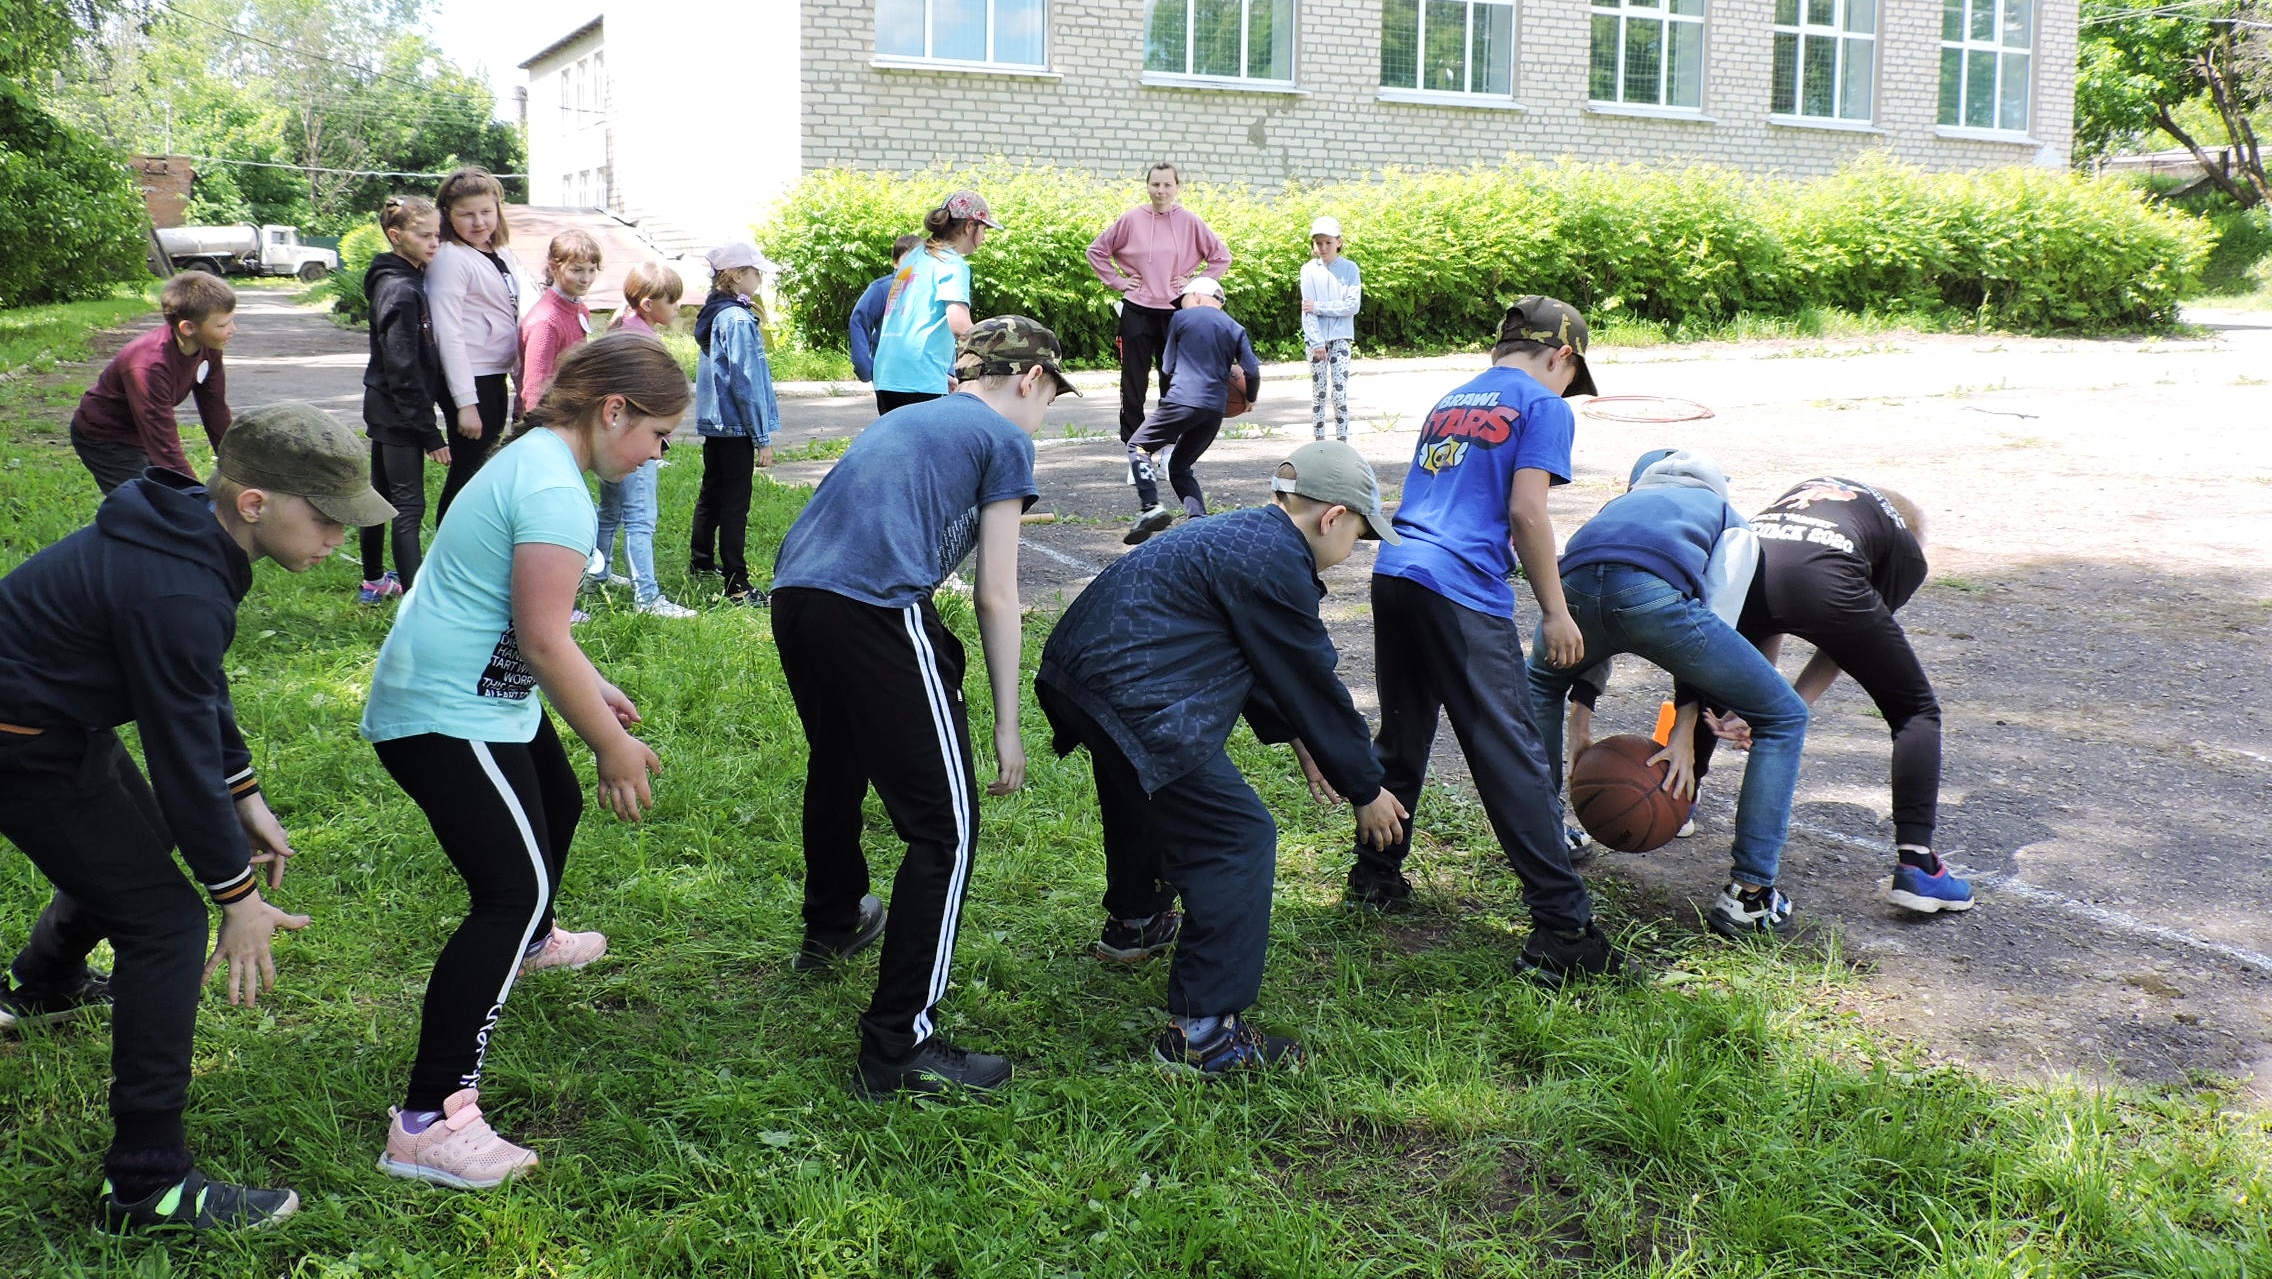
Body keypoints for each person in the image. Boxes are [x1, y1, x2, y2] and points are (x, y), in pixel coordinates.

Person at [0, 403, 394, 1233]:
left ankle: (42, 986)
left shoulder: (189, 530)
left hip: (56, 717)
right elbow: (180, 753)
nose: (334, 538)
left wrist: (242, 790)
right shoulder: (178, 586)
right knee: (168, 923)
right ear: (253, 502)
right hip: (21, 738)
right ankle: (145, 1183)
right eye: (324, 518)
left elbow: (192, 684)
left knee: (147, 847)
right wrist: (237, 899)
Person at [360, 332, 679, 1189]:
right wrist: (612, 744)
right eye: (658, 437)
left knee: (555, 805)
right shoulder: (552, 487)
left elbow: (532, 621)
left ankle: (532, 945)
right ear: (615, 409)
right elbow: (541, 639)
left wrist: (595, 682)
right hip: (442, 712)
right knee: (511, 888)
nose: (656, 456)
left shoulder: (540, 461)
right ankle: (427, 1120)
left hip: (481, 697)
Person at [769, 316, 1072, 1100]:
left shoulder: (909, 416)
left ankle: (835, 919)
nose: (1044, 413)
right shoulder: (1004, 437)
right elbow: (999, 594)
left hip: (799, 598)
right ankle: (899, 1043)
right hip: (874, 608)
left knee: (839, 761)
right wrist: (1007, 725)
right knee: (948, 826)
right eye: (1050, 396)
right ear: (1028, 379)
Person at [1038, 442, 1410, 1074]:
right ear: (1332, 516)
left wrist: (1299, 736)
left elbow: (1262, 660)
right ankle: (1203, 1032)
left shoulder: (1242, 535)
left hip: (1080, 677)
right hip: (1137, 688)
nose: (1356, 547)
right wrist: (1366, 788)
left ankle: (1135, 922)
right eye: (1361, 533)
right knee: (1237, 837)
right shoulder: (1277, 559)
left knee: (1140, 790)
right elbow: (1309, 676)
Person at [1350, 296, 1621, 986]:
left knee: (1404, 734)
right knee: (1512, 755)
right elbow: (1527, 511)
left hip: (1398, 570)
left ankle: (1375, 875)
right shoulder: (1544, 404)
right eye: (1571, 377)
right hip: (1459, 590)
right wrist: (1556, 612)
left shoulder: (1449, 400)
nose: (1568, 392)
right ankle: (1562, 928)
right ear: (1563, 356)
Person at [1527, 449, 1813, 940]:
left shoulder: (1619, 506)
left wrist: (1581, 724)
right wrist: (1685, 727)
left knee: (1540, 684)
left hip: (1571, 587)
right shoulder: (1729, 519)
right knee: (1784, 717)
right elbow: (1715, 618)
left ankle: (1543, 841)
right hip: (1653, 598)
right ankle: (1750, 895)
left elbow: (1599, 603)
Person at [1694, 478, 1975, 916]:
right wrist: (1781, 704)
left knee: (1713, 678)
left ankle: (1676, 797)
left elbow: (1769, 613)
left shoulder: (1806, 496)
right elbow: (1844, 642)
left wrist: (1761, 700)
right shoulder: (1904, 545)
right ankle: (1920, 866)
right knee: (1914, 710)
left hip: (1749, 566)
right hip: (1825, 581)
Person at [1085, 162, 1232, 446]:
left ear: (1177, 187)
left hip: (1177, 313)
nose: (1161, 191)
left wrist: (1194, 285)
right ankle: (1135, 448)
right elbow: (1096, 251)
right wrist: (1117, 280)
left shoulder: (1190, 221)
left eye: (1167, 185)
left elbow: (1221, 257)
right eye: (1155, 184)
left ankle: (1167, 449)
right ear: (1147, 186)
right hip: (1137, 311)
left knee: (1174, 385)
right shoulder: (1131, 219)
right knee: (1133, 385)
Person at [357, 194, 451, 605]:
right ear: (396, 236)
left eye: (437, 235)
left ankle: (374, 580)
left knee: (377, 499)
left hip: (385, 407)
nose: (434, 243)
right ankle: (416, 600)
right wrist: (430, 434)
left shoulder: (405, 278)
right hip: (397, 413)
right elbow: (403, 369)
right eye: (424, 235)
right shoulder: (400, 289)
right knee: (406, 506)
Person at [68, 271, 236, 495]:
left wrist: (237, 467)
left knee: (165, 501)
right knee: (142, 506)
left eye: (232, 320)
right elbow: (165, 449)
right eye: (222, 325)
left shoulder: (209, 347)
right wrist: (198, 499)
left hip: (143, 431)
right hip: (105, 436)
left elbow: (214, 410)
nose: (232, 329)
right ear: (188, 328)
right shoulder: (149, 366)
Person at [1121, 276, 1259, 546]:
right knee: (1180, 466)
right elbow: (1251, 370)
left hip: (1182, 400)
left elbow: (1167, 366)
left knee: (1138, 446)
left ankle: (1150, 506)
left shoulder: (1181, 320)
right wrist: (1250, 398)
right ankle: (1199, 523)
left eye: (1181, 301)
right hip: (1214, 409)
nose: (1180, 306)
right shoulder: (1235, 327)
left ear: (1196, 296)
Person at [592, 262, 696, 618]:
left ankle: (599, 573)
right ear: (649, 304)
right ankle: (647, 598)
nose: (678, 307)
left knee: (610, 511)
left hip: (610, 441)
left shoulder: (624, 328)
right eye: (673, 300)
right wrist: (657, 441)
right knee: (640, 518)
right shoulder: (642, 341)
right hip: (634, 444)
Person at [427, 166, 526, 523]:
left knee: (481, 468)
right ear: (447, 216)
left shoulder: (497, 252)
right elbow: (447, 333)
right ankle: (448, 552)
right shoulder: (451, 258)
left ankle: (465, 546)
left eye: (486, 211)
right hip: (472, 379)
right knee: (467, 470)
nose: (479, 221)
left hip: (493, 375)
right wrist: (466, 403)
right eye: (466, 214)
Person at [689, 244, 780, 607]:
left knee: (711, 493)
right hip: (737, 426)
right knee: (735, 505)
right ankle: (737, 584)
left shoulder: (715, 311)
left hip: (715, 423)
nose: (761, 278)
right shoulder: (738, 320)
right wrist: (762, 438)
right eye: (756, 272)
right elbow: (746, 383)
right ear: (738, 275)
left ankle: (701, 562)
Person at [872, 191, 998, 415]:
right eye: (983, 229)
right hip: (919, 378)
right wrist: (994, 354)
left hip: (887, 374)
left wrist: (939, 375)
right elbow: (960, 326)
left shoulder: (914, 256)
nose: (984, 238)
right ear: (970, 226)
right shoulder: (952, 263)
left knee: (903, 447)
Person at [518, 229, 600, 413]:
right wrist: (540, 431)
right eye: (576, 270)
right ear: (554, 268)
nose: (585, 279)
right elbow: (534, 390)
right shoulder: (546, 322)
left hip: (569, 413)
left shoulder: (579, 308)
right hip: (545, 421)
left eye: (591, 270)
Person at [1300, 215, 1362, 443]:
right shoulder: (1308, 270)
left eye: (1328, 242)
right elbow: (1307, 309)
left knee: (1339, 394)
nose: (1323, 247)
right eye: (1319, 243)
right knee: (1318, 395)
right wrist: (1316, 342)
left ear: (1339, 241)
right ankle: (1319, 443)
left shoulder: (1349, 269)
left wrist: (1320, 307)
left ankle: (1342, 442)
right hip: (1316, 342)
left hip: (1341, 338)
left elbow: (1352, 305)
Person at [849, 234, 923, 385]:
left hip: (925, 375)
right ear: (896, 263)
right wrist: (864, 365)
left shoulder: (932, 290)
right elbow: (859, 321)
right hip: (889, 376)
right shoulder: (883, 289)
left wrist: (948, 371)